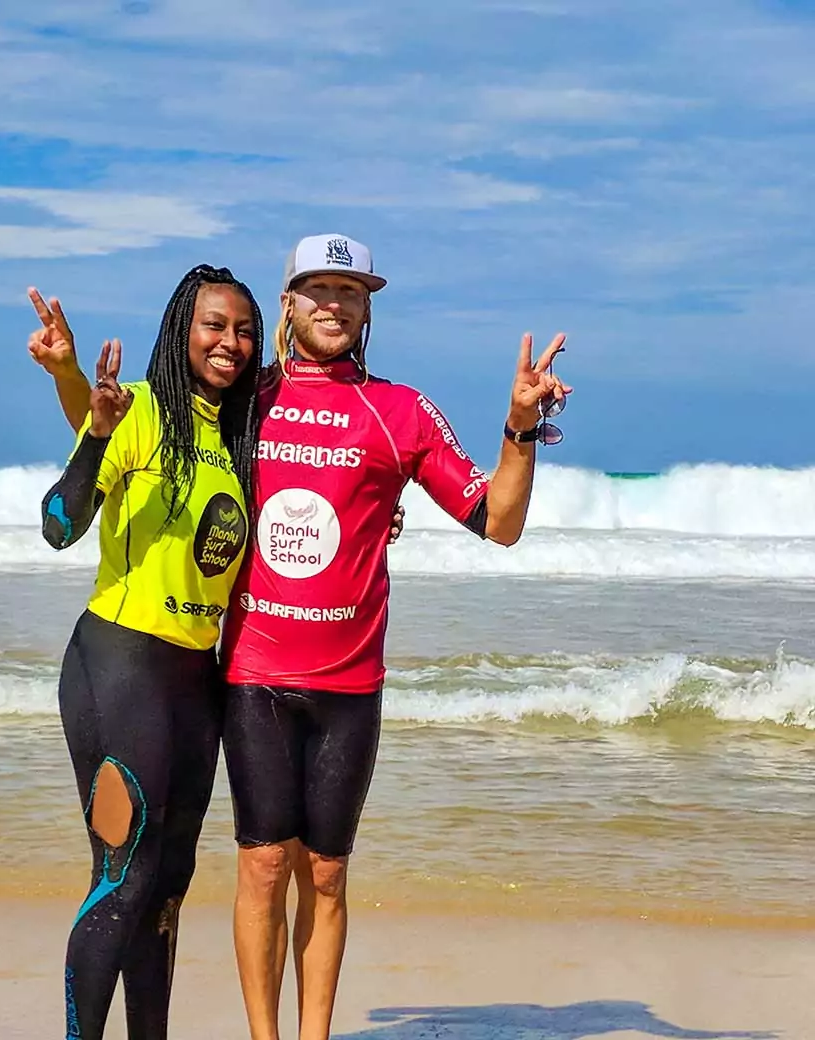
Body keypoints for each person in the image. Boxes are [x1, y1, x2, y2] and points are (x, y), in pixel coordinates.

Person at [217, 234, 571, 1040]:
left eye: (351, 291)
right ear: (288, 304)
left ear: (368, 307)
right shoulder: (243, 401)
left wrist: (519, 429)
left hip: (349, 685)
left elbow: (499, 522)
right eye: (318, 289)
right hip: (254, 674)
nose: (334, 304)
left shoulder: (400, 410)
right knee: (264, 865)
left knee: (330, 875)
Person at [29, 264, 263, 1040]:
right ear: (181, 330)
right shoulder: (141, 412)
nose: (230, 342)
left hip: (197, 683)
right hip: (119, 664)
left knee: (167, 888)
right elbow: (61, 525)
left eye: (243, 329)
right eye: (213, 325)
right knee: (122, 878)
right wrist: (95, 428)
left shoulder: (238, 440)